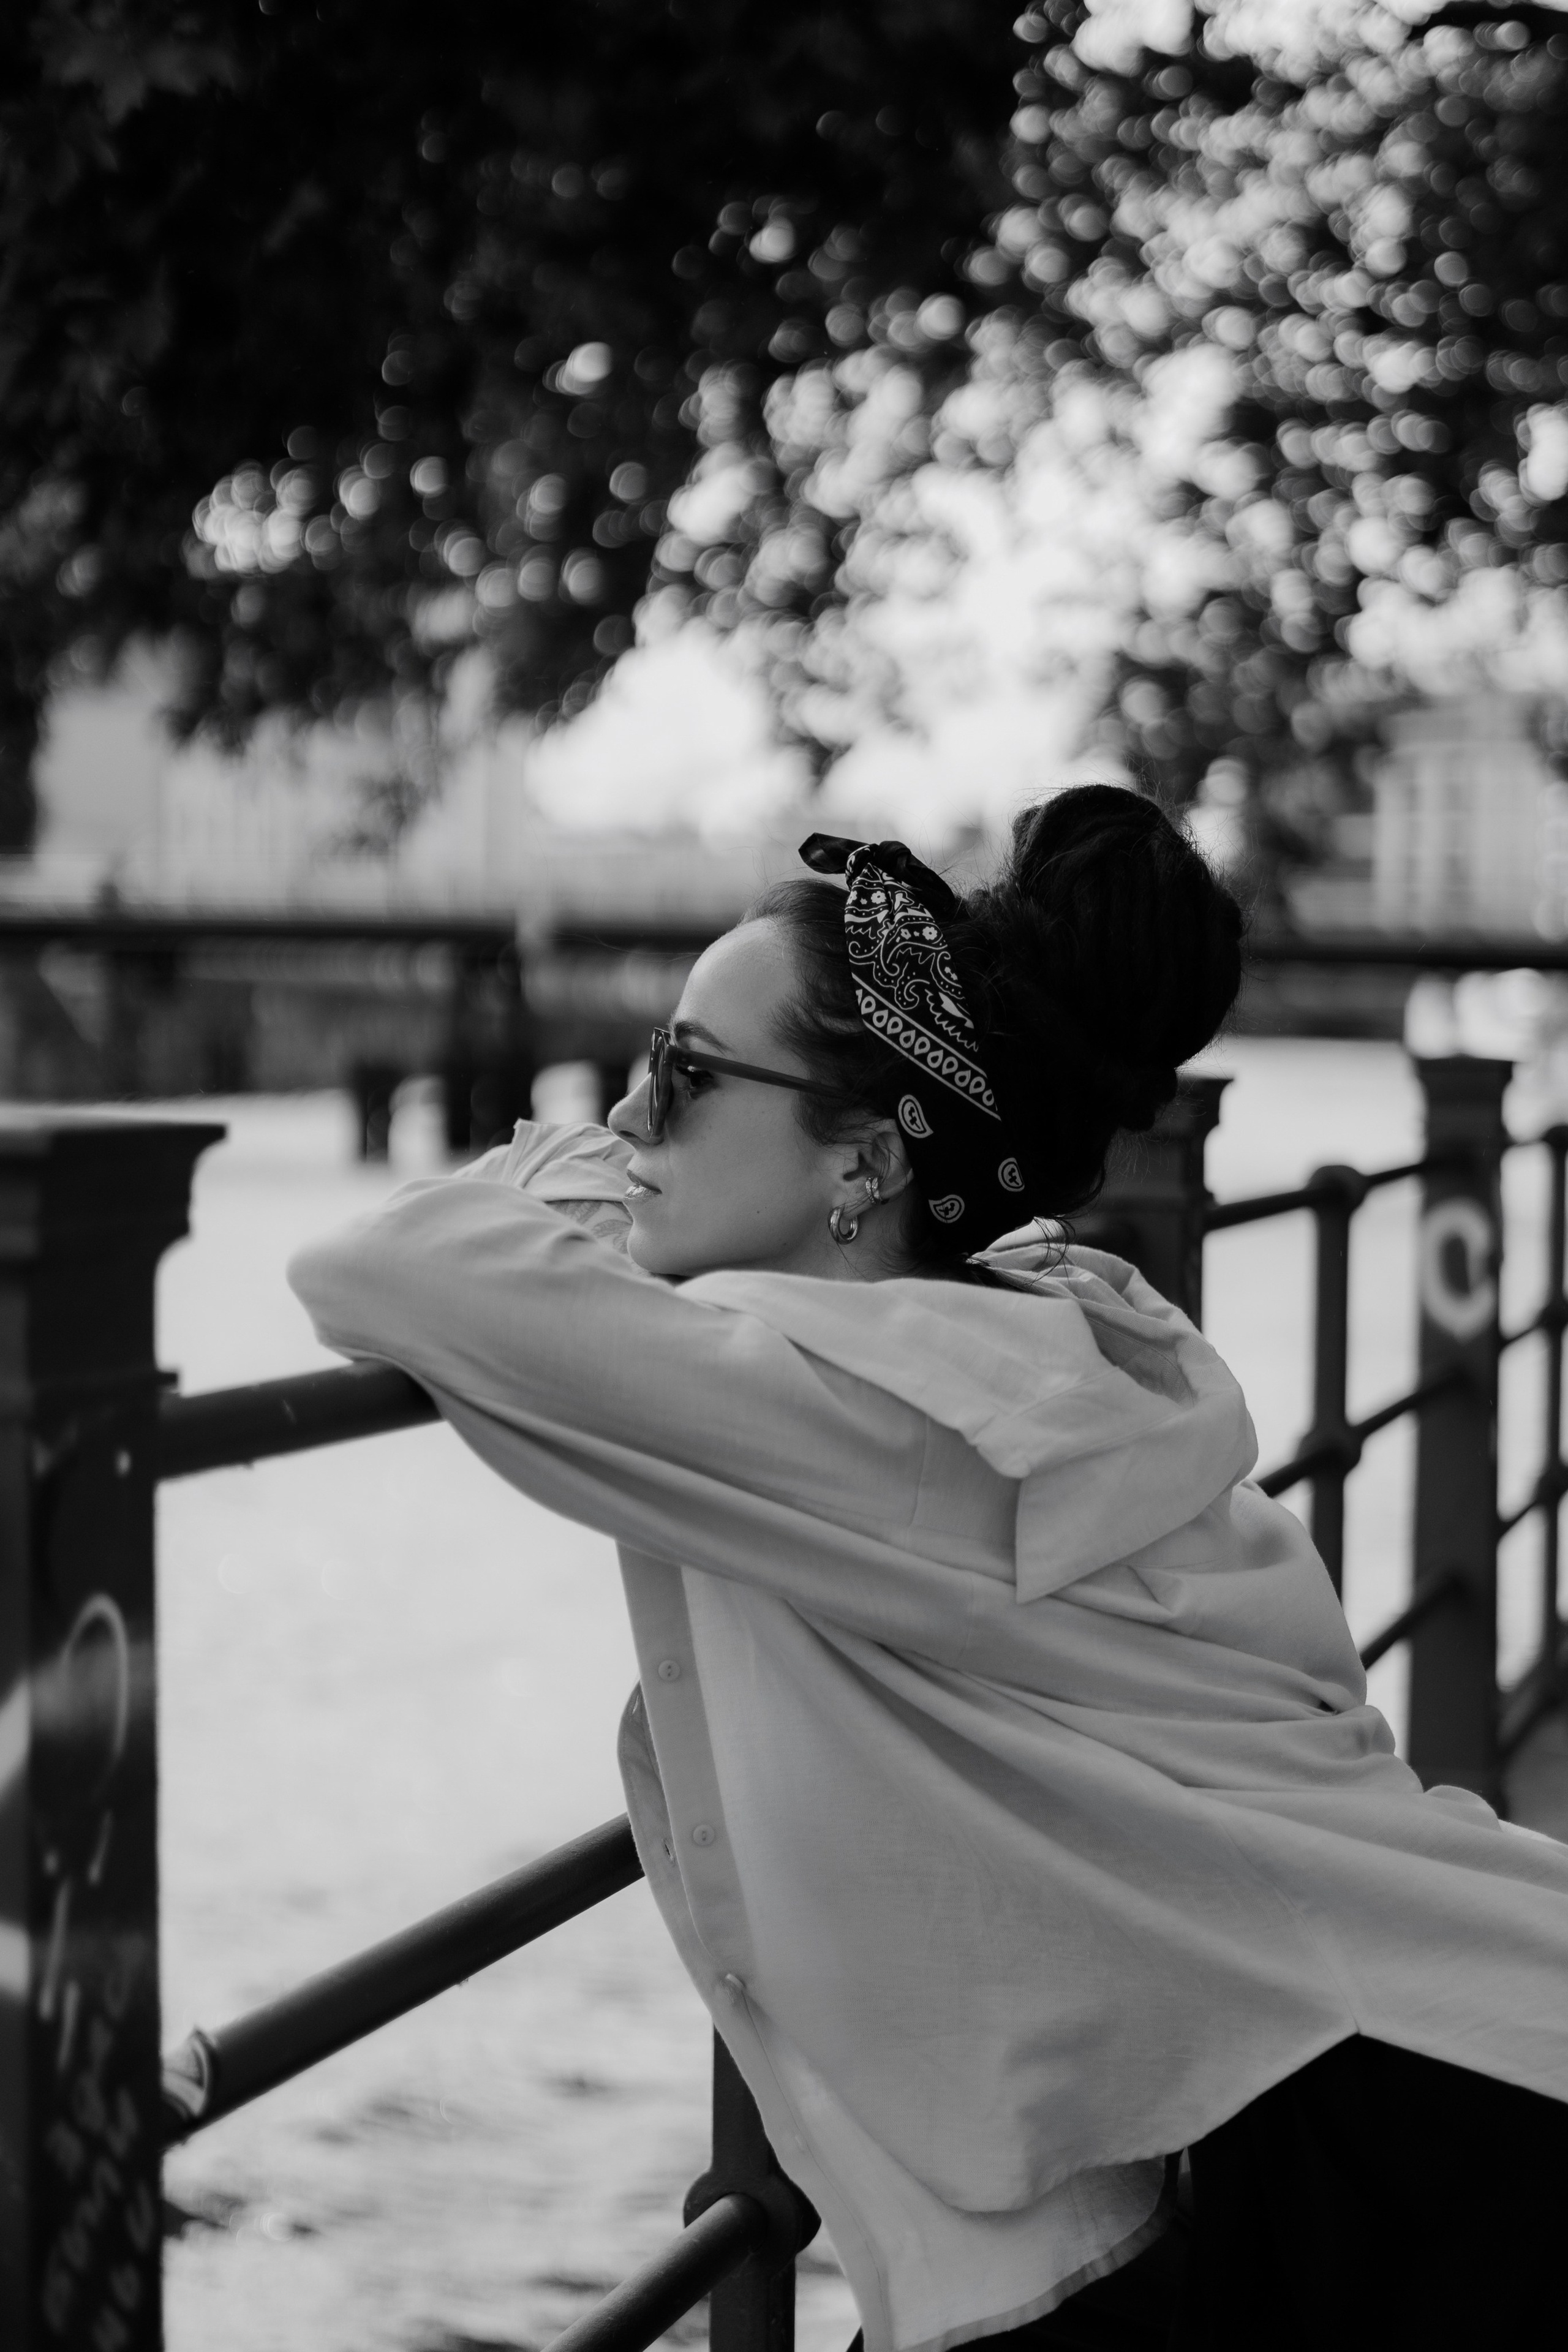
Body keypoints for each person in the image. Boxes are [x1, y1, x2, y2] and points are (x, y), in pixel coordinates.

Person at [289, 787, 1568, 2352]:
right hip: (1415, 2062)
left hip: (1361, 2150)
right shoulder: (1037, 1339)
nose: (631, 1117)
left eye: (681, 1075)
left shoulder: (842, 1406)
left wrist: (577, 1188)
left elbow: (379, 1270)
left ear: (865, 1156)